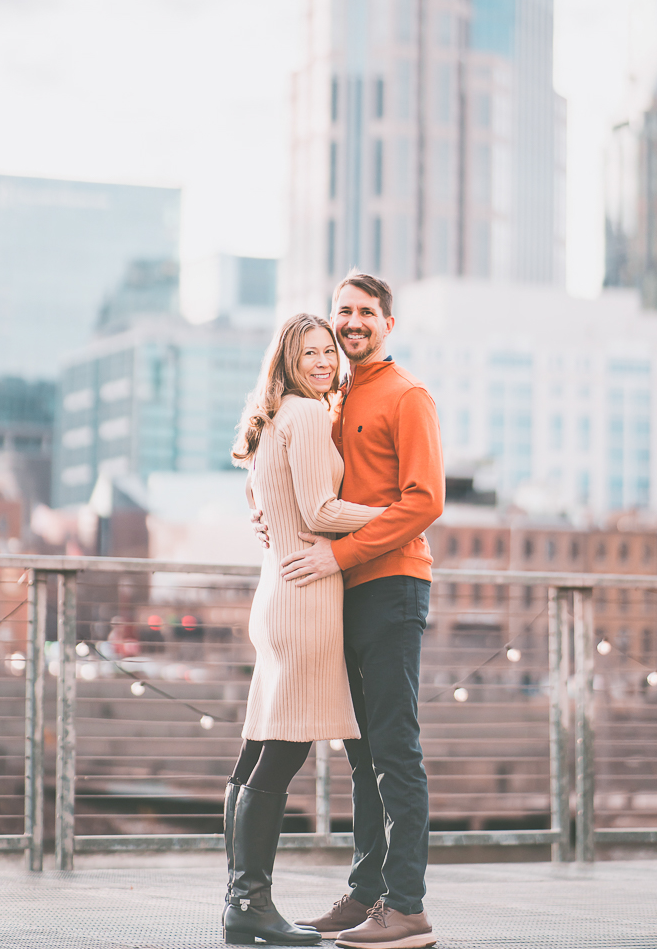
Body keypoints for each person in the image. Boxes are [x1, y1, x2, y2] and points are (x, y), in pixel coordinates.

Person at [256, 272, 444, 949]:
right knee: (362, 755)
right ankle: (367, 895)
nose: (353, 321)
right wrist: (271, 518)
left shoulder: (406, 394)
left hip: (391, 586)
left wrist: (337, 555)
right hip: (347, 592)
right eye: (344, 311)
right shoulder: (333, 398)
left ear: (387, 324)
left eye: (366, 311)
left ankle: (408, 908)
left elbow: (425, 501)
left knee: (395, 751)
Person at [224, 312, 384, 947]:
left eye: (328, 352)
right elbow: (321, 510)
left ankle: (241, 901)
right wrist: (400, 513)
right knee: (282, 754)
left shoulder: (272, 422)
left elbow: (268, 503)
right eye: (309, 352)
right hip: (307, 601)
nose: (323, 362)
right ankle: (249, 904)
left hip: (276, 598)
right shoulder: (309, 417)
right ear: (287, 361)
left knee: (256, 755)